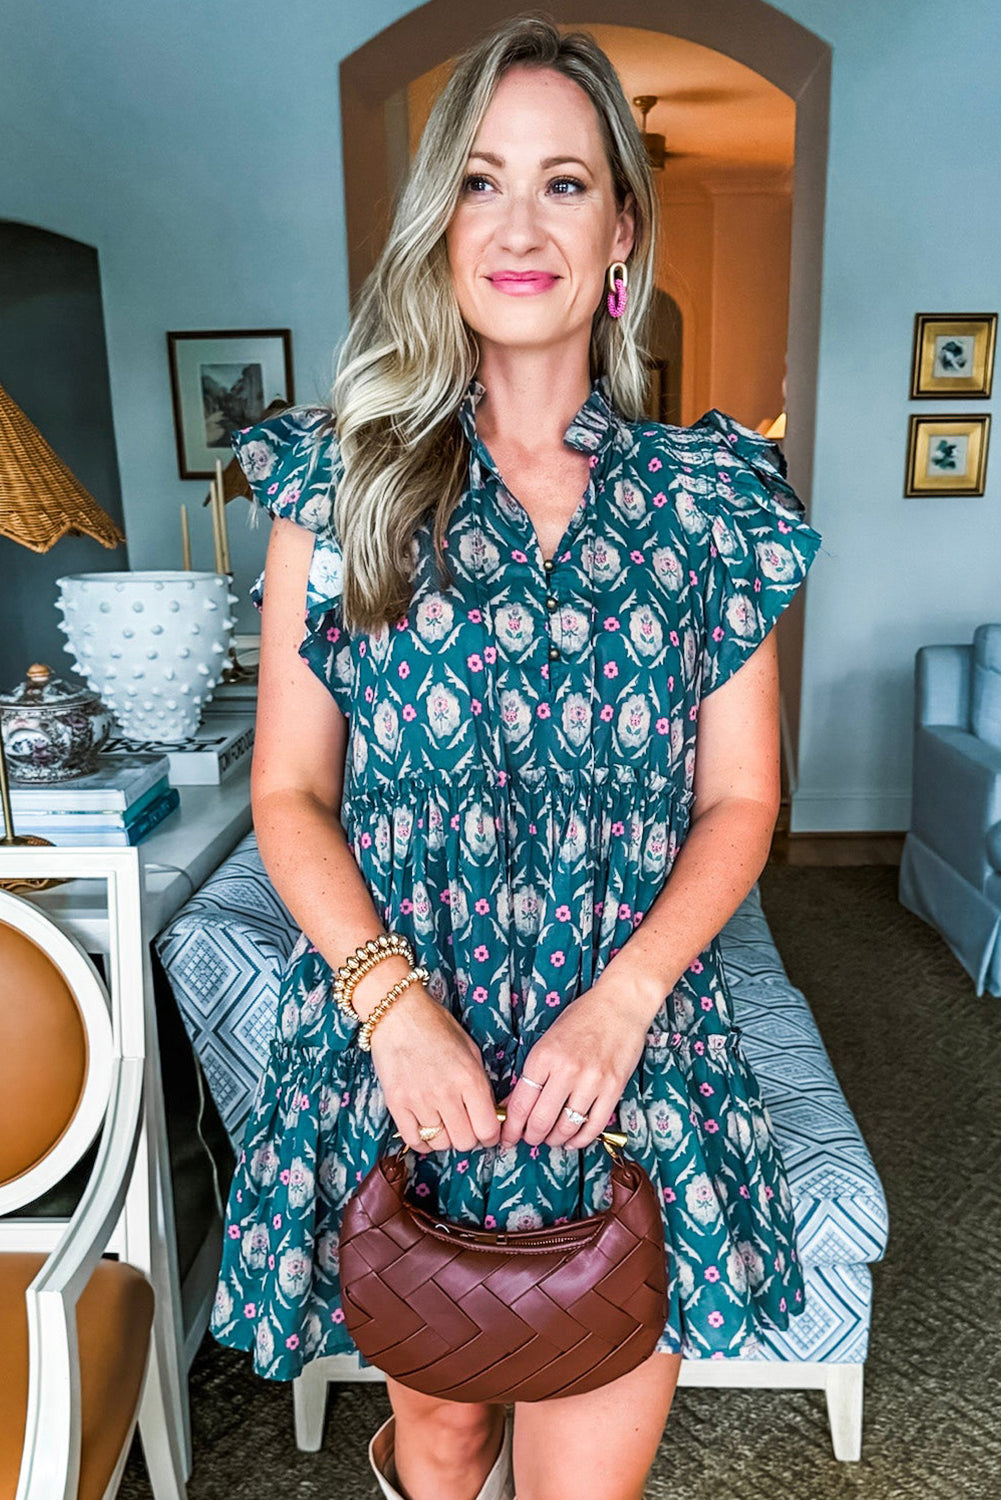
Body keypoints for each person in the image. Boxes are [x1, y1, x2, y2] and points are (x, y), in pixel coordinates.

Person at [210, 14, 822, 1500]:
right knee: (443, 1433)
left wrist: (624, 1003)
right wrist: (390, 1005)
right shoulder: (340, 484)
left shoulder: (709, 499)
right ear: (440, 225)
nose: (520, 225)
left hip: (627, 1058)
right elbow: (289, 792)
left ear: (622, 229)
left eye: (565, 182)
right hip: (410, 1050)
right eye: (481, 182)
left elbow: (743, 798)